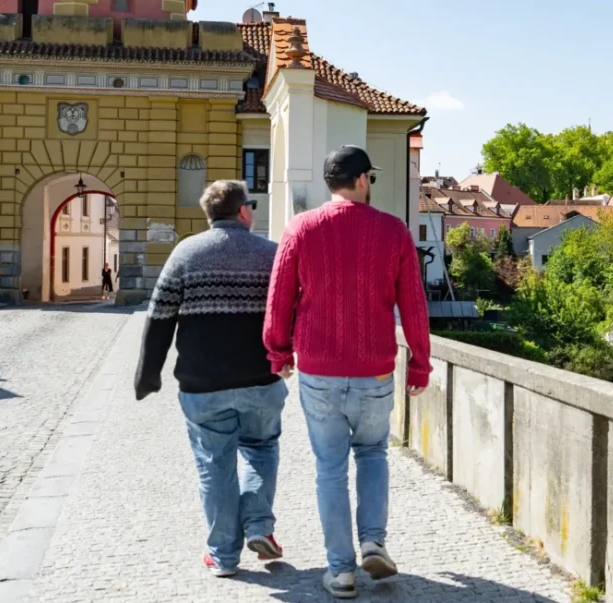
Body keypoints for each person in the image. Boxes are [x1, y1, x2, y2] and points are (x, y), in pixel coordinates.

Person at [264, 145, 431, 600]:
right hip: (374, 371)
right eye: (369, 178)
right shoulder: (393, 231)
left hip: (319, 372)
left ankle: (340, 572)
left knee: (330, 469)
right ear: (360, 180)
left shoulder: (300, 228)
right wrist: (419, 362)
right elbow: (413, 304)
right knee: (373, 453)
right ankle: (373, 541)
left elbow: (279, 298)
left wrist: (279, 353)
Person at [135, 180, 286, 578]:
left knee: (214, 465)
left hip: (203, 384)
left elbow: (159, 316)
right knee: (260, 448)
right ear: (243, 211)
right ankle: (259, 526)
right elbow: (293, 309)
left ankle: (223, 556)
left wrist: (148, 375)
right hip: (261, 379)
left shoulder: (186, 252)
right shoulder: (271, 254)